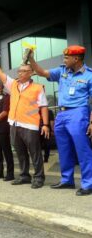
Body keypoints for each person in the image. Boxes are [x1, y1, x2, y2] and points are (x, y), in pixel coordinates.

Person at [29, 45, 92, 196]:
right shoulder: (62, 71)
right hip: (61, 114)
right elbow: (41, 72)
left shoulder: (89, 75)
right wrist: (30, 58)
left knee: (82, 150)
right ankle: (67, 180)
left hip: (79, 112)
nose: (64, 60)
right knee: (63, 149)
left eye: (66, 57)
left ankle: (88, 183)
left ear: (76, 59)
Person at [0, 51, 50, 189]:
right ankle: (24, 176)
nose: (20, 73)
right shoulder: (13, 85)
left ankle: (39, 177)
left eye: (24, 71)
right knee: (20, 152)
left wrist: (45, 125)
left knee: (35, 153)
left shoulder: (38, 88)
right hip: (14, 124)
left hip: (30, 125)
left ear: (31, 73)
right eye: (19, 71)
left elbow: (43, 107)